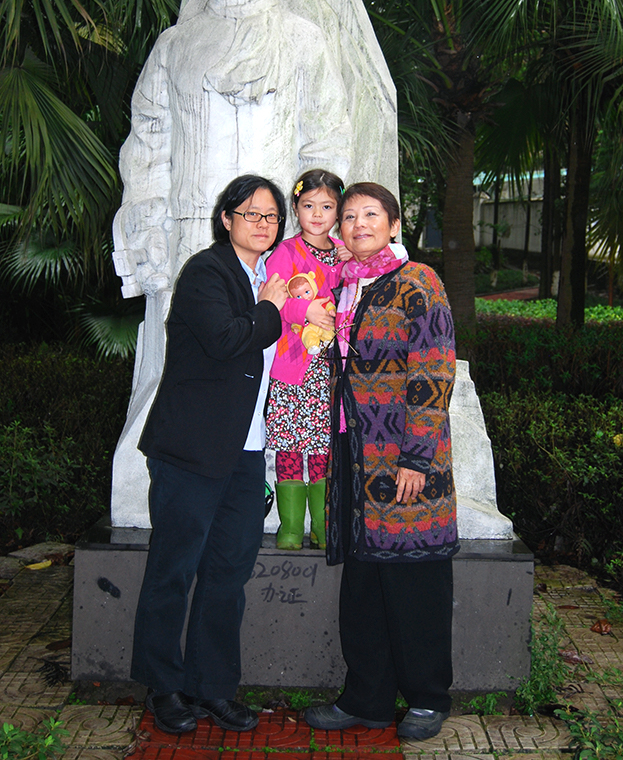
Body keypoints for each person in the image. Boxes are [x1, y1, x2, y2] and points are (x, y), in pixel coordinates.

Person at [110, 0, 351, 528]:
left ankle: (271, 480)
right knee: (186, 359)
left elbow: (325, 138)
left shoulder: (302, 39)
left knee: (280, 356)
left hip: (278, 238)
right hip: (194, 223)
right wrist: (145, 212)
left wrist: (317, 233)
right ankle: (176, 471)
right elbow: (149, 137)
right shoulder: (176, 43)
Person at [130, 175, 288, 736]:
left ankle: (212, 687)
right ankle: (164, 686)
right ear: (227, 218)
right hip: (191, 453)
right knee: (173, 571)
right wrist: (270, 309)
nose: (263, 224)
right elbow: (225, 338)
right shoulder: (207, 270)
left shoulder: (267, 275)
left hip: (246, 455)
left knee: (228, 575)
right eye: (251, 214)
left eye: (271, 217)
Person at [304, 183, 458, 741]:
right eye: (348, 216)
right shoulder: (347, 284)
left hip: (405, 457)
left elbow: (436, 370)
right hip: (354, 454)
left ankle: (426, 697)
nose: (358, 224)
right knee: (364, 579)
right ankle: (366, 697)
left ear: (394, 224)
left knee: (415, 579)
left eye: (371, 214)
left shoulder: (419, 281)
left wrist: (417, 456)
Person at [264, 169, 348, 550]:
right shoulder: (285, 252)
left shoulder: (345, 253)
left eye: (327, 206)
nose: (317, 213)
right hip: (293, 369)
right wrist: (305, 311)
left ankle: (322, 525)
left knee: (323, 448)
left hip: (332, 372)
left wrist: (351, 263)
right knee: (289, 446)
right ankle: (291, 528)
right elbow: (274, 300)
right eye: (308, 205)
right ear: (296, 209)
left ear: (338, 210)